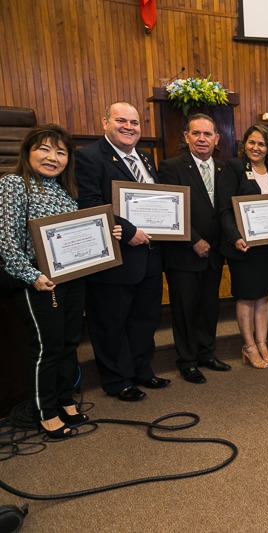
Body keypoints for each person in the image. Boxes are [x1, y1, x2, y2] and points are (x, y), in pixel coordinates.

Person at [0, 124, 121, 439]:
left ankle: (66, 400)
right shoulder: (14, 184)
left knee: (69, 343)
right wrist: (32, 276)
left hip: (71, 278)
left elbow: (79, 233)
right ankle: (46, 411)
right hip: (38, 280)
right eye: (45, 149)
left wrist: (108, 234)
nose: (52, 157)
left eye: (61, 152)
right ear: (28, 150)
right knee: (47, 347)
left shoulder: (65, 189)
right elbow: (8, 243)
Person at [76, 102, 171, 402]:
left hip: (150, 255)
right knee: (112, 321)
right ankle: (117, 380)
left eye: (134, 122)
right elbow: (89, 205)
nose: (129, 127)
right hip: (116, 257)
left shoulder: (145, 157)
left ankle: (142, 370)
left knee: (145, 317)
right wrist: (129, 232)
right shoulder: (88, 157)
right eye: (121, 121)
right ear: (104, 122)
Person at [159, 114, 230, 384]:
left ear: (216, 139)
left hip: (214, 253)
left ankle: (206, 353)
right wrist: (193, 240)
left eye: (207, 134)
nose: (202, 139)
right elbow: (169, 209)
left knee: (209, 307)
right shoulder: (171, 167)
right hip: (184, 254)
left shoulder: (224, 169)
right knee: (185, 308)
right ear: (186, 137)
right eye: (196, 134)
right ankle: (187, 361)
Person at [218, 123, 268, 369]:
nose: (256, 148)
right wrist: (235, 236)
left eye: (261, 144)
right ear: (244, 144)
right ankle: (248, 346)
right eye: (251, 142)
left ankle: (262, 342)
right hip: (243, 246)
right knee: (246, 297)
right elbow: (224, 209)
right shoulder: (233, 167)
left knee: (264, 295)